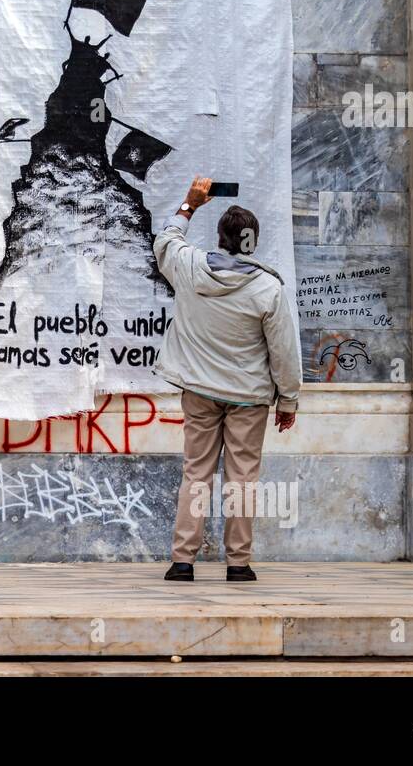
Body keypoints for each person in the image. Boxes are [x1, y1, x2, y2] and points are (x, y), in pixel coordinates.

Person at [153, 176, 301, 582]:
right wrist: (287, 402)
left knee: (196, 473)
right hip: (249, 398)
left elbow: (165, 241)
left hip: (199, 392)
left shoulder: (188, 267)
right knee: (242, 478)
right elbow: (284, 352)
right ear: (253, 242)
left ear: (221, 238)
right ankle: (238, 564)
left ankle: (183, 561)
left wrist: (189, 203)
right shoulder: (269, 289)